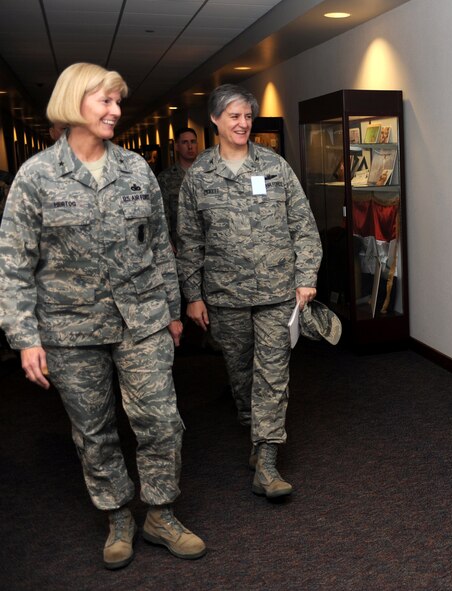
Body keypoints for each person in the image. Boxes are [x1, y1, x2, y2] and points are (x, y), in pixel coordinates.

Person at [0, 63, 205, 570]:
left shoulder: (135, 171)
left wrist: (173, 310)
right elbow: (13, 264)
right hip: (70, 330)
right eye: (106, 101)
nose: (116, 110)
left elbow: (160, 245)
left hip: (143, 321)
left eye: (118, 102)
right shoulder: (37, 176)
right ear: (73, 103)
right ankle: (117, 516)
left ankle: (159, 513)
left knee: (160, 420)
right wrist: (24, 336)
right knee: (94, 431)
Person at [177, 84, 322, 500]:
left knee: (273, 375)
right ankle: (254, 433)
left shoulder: (275, 167)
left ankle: (268, 459)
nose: (243, 124)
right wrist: (193, 295)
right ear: (216, 121)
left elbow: (304, 226)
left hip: (278, 293)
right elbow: (188, 242)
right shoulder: (199, 176)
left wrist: (306, 276)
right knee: (242, 375)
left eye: (247, 117)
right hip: (225, 296)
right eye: (234, 117)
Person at [157, 127, 198, 251]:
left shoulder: (208, 174)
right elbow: (162, 213)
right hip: (181, 243)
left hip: (209, 242)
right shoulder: (166, 178)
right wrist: (167, 239)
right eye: (185, 142)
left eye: (193, 142)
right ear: (176, 146)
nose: (190, 146)